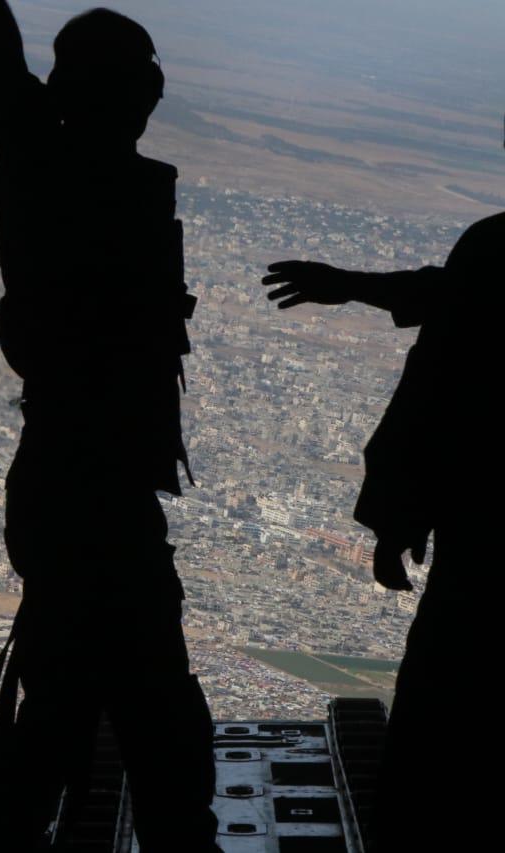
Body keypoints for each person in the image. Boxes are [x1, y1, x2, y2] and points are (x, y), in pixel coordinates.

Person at [0, 3, 219, 849]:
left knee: (71, 701)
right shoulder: (56, 165)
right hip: (89, 486)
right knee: (144, 705)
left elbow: (3, 67)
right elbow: (2, 61)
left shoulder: (51, 165)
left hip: (74, 480)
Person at [263, 130, 504, 849]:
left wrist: (397, 515)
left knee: (443, 696)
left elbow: (437, 387)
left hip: (485, 532)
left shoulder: (495, 248)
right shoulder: (494, 253)